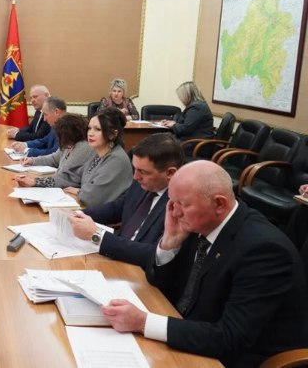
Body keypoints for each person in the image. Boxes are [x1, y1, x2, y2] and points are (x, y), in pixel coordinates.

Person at [101, 161, 308, 367]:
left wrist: (143, 322)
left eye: (183, 204)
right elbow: (160, 282)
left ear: (219, 204)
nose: (174, 212)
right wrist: (169, 243)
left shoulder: (264, 251)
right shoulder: (201, 221)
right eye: (172, 202)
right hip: (194, 330)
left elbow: (230, 338)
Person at [67, 133, 183, 266]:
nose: (135, 177)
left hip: (137, 269)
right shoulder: (143, 183)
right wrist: (78, 214)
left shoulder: (180, 205)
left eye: (142, 172)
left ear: (170, 173)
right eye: (135, 169)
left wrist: (97, 236)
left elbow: (154, 254)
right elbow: (117, 207)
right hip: (116, 256)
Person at [64, 107, 132, 207]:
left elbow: (92, 198)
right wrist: (43, 182)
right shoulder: (97, 153)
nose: (90, 133)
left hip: (106, 215)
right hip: (89, 208)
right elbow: (75, 176)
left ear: (113, 134)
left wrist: (79, 191)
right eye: (89, 128)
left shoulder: (116, 160)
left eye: (98, 129)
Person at [13, 113, 92, 189]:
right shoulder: (69, 144)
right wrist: (33, 160)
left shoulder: (83, 147)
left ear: (69, 133)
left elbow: (66, 179)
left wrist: (35, 181)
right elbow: (53, 159)